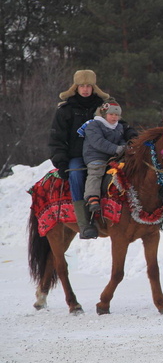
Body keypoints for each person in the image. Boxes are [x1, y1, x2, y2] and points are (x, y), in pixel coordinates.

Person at [48, 70, 136, 239]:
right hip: (77, 156)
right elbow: (56, 138)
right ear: (76, 87)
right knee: (75, 174)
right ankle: (85, 223)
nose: (85, 89)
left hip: (108, 153)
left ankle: (131, 215)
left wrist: (131, 135)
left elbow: (120, 123)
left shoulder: (103, 106)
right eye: (82, 86)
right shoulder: (65, 110)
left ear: (94, 87)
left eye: (89, 85)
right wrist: (60, 161)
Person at [83, 101, 126, 215]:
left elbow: (120, 139)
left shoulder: (119, 127)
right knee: (96, 172)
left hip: (113, 156)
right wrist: (116, 149)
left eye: (116, 115)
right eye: (111, 114)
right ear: (104, 114)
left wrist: (124, 147)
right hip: (96, 155)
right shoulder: (94, 125)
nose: (114, 117)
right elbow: (98, 142)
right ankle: (92, 197)